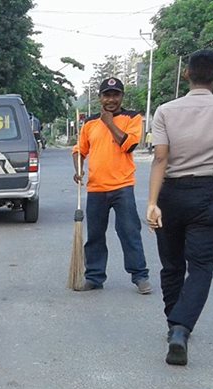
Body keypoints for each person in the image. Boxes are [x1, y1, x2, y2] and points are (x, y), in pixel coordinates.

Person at [145, 50, 213, 366]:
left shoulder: (165, 111)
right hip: (209, 192)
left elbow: (161, 158)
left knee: (171, 263)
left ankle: (172, 322)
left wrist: (152, 202)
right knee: (202, 267)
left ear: (186, 74)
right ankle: (181, 328)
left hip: (170, 193)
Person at [72, 77, 151, 294]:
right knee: (95, 235)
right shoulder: (89, 123)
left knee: (129, 231)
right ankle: (94, 277)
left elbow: (129, 145)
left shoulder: (132, 117)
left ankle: (140, 276)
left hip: (122, 186)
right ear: (100, 98)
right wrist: (78, 169)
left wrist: (108, 122)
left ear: (122, 97)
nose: (111, 99)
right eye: (107, 95)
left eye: (115, 95)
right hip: (96, 188)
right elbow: (79, 150)